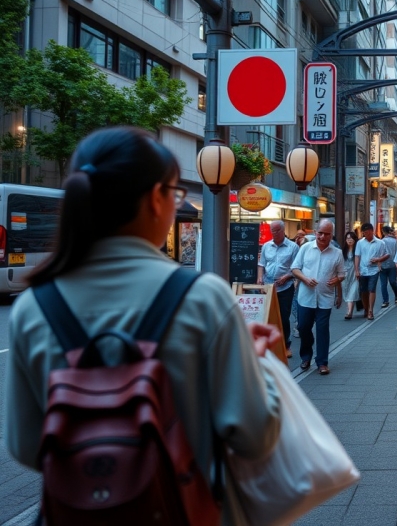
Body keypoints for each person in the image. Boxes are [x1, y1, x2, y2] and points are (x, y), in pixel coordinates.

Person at [4, 127, 281, 525]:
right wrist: (252, 364)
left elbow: (27, 445)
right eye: (175, 194)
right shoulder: (203, 298)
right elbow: (256, 435)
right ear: (156, 199)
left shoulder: (34, 306)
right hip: (190, 510)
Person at [291, 219, 345, 375]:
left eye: (326, 234)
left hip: (325, 297)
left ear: (331, 235)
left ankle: (322, 362)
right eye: (320, 233)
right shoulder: (305, 248)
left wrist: (337, 279)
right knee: (303, 327)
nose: (322, 237)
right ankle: (306, 356)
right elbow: (294, 268)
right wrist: (305, 279)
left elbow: (342, 274)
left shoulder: (337, 253)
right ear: (315, 233)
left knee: (322, 330)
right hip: (305, 297)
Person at [258, 220, 298, 357]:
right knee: (268, 316)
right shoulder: (266, 246)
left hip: (285, 287)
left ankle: (286, 345)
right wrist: (259, 278)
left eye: (276, 231)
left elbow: (297, 268)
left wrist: (287, 277)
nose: (274, 234)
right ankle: (270, 344)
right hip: (268, 285)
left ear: (282, 230)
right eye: (272, 231)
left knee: (283, 317)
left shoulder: (293, 247)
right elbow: (261, 264)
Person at [354, 222, 389, 320]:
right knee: (363, 291)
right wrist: (356, 270)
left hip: (374, 270)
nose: (366, 234)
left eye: (368, 232)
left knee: (372, 289)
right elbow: (357, 256)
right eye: (364, 232)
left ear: (372, 231)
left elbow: (387, 254)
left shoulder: (380, 243)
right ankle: (366, 308)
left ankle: (370, 311)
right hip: (363, 269)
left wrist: (378, 260)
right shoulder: (360, 243)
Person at [379, 225, 397, 307]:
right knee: (393, 282)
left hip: (383, 264)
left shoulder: (381, 241)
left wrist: (379, 262)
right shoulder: (394, 241)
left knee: (383, 284)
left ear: (383, 232)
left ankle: (385, 300)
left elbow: (380, 253)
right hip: (393, 264)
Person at [341, 230, 360, 319]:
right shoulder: (342, 251)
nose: (349, 240)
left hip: (354, 274)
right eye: (348, 238)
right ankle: (348, 310)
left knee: (352, 292)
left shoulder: (358, 250)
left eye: (351, 238)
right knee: (346, 292)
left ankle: (349, 312)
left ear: (355, 239)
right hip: (345, 275)